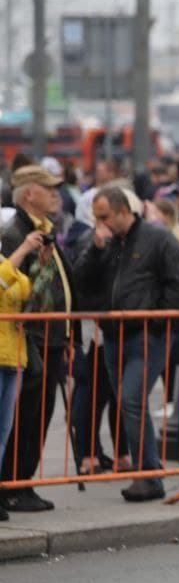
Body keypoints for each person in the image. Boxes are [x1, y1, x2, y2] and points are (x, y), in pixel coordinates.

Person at [75, 186, 179, 503]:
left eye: (104, 216)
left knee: (131, 399)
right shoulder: (107, 242)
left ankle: (149, 475)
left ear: (124, 212)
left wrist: (155, 319)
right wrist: (96, 250)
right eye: (97, 217)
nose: (100, 223)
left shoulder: (157, 238)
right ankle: (147, 471)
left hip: (145, 334)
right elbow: (83, 281)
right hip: (114, 334)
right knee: (128, 401)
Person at [0, 165, 78, 512]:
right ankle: (14, 484)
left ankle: (23, 481)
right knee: (25, 416)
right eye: (48, 188)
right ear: (29, 193)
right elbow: (27, 295)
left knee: (38, 414)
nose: (55, 194)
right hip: (32, 339)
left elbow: (54, 285)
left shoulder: (43, 230)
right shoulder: (18, 233)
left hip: (50, 337)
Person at [0, 228, 40, 521]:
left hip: (14, 358)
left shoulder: (6, 261)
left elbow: (31, 296)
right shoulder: (10, 262)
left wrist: (42, 265)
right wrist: (23, 251)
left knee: (3, 433)